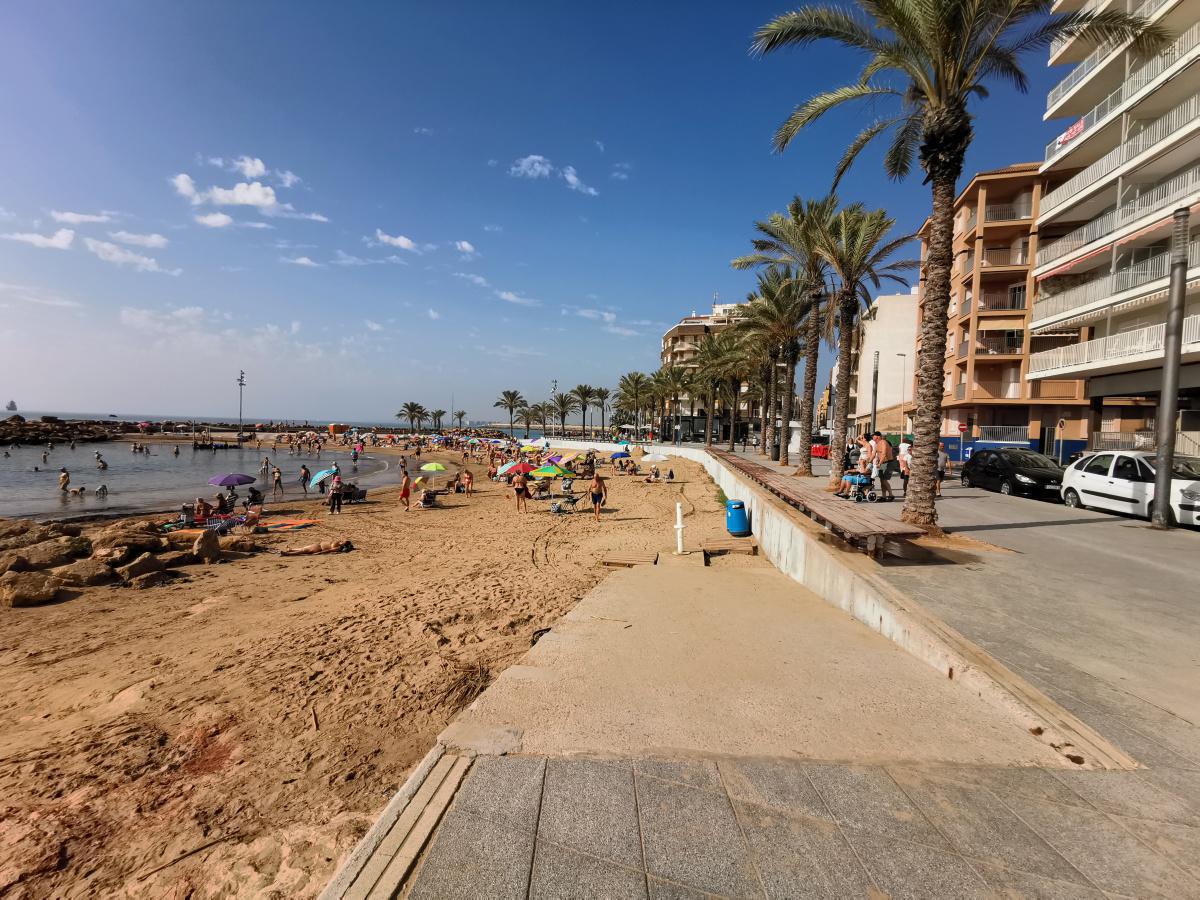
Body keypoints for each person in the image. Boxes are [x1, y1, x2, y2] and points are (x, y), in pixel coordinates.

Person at [871, 431, 896, 501]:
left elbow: (884, 454)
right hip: (882, 463)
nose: (872, 437)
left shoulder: (883, 442)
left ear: (878, 437)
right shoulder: (876, 444)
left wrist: (879, 463)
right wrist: (868, 461)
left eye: (873, 435)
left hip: (888, 463)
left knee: (884, 480)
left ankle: (891, 495)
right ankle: (884, 496)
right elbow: (873, 454)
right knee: (882, 480)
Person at [280, 539, 353, 556]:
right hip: (317, 545)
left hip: (318, 548)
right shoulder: (339, 542)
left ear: (344, 544)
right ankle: (291, 550)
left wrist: (319, 553)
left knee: (303, 551)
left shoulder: (338, 547)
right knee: (303, 548)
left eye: (344, 541)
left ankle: (288, 554)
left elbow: (329, 550)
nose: (343, 540)